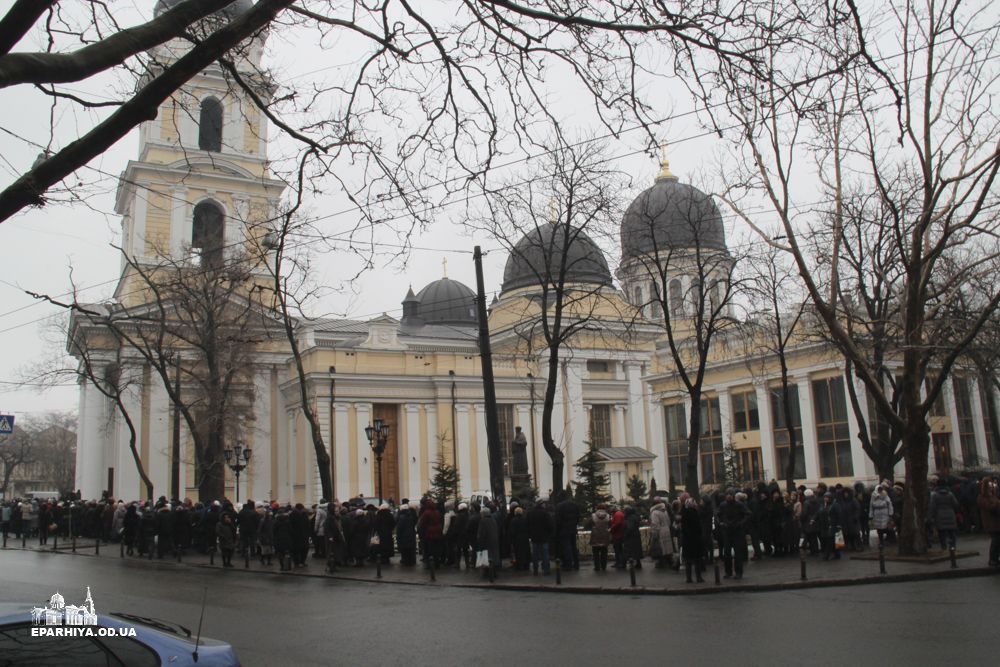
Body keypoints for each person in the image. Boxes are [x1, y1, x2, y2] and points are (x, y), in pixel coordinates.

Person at [716, 489, 751, 579]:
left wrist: (741, 523)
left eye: (730, 494)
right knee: (727, 553)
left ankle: (738, 572)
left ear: (733, 496)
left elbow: (748, 514)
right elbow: (718, 515)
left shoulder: (739, 505)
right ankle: (728, 572)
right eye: (727, 494)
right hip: (727, 531)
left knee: (738, 553)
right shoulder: (723, 505)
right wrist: (721, 523)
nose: (728, 496)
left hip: (737, 531)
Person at [929, 477, 960, 550]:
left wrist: (931, 517)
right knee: (951, 532)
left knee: (942, 533)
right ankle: (952, 547)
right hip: (950, 514)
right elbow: (956, 504)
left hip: (939, 515)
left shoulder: (934, 495)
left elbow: (932, 507)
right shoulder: (950, 494)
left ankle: (944, 547)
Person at [976, 477, 1000, 567]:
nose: (992, 486)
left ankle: (996, 558)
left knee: (998, 541)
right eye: (990, 485)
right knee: (995, 540)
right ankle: (992, 559)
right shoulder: (981, 497)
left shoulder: (993, 495)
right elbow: (989, 507)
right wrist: (997, 504)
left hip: (997, 521)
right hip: (990, 523)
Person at [680, 497, 705, 583]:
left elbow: (683, 528)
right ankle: (698, 577)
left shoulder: (684, 513)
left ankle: (689, 578)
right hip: (695, 539)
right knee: (697, 559)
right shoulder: (695, 513)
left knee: (688, 560)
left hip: (687, 540)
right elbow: (698, 527)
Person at [527, 499, 554, 575]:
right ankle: (546, 570)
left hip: (534, 537)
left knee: (535, 555)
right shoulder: (545, 513)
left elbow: (527, 525)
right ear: (541, 505)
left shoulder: (530, 513)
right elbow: (550, 525)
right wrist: (549, 533)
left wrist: (530, 534)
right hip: (544, 537)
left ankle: (535, 570)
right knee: (545, 554)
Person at [555, 494, 581, 570]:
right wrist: (574, 524)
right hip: (573, 528)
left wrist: (559, 528)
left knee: (567, 547)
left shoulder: (560, 506)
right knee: (573, 546)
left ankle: (568, 564)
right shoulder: (574, 505)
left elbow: (558, 519)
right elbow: (578, 516)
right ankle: (576, 564)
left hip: (564, 529)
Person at [476, 506, 500, 576]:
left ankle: (487, 572)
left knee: (486, 557)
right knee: (493, 556)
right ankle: (494, 572)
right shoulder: (493, 520)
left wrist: (479, 540)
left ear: (483, 514)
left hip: (486, 541)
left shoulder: (482, 521)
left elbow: (481, 533)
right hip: (494, 541)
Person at [648, 498, 672, 569]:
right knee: (667, 547)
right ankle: (668, 561)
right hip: (666, 529)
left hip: (660, 531)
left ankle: (661, 562)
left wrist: (654, 533)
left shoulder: (654, 513)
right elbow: (669, 521)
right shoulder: (665, 511)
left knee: (660, 547)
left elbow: (655, 524)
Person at [509, 506, 532, 570]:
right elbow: (529, 528)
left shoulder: (513, 520)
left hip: (517, 539)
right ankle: (526, 566)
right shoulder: (525, 519)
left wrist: (511, 539)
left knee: (518, 553)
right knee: (526, 552)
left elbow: (512, 531)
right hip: (525, 538)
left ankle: (519, 566)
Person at [589, 504, 611, 571]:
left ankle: (597, 567)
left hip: (595, 535)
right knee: (604, 552)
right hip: (605, 535)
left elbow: (589, 524)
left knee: (595, 552)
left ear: (597, 508)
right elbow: (610, 524)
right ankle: (603, 566)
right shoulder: (608, 515)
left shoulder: (593, 515)